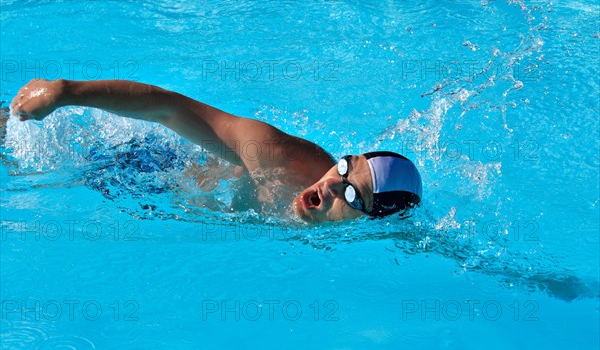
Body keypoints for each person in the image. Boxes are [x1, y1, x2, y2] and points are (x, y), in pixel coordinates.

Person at [10, 78, 422, 222]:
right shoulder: (278, 160)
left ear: (372, 222)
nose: (332, 184)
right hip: (147, 174)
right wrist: (65, 93)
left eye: (352, 195)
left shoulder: (374, 235)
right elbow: (170, 109)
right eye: (344, 168)